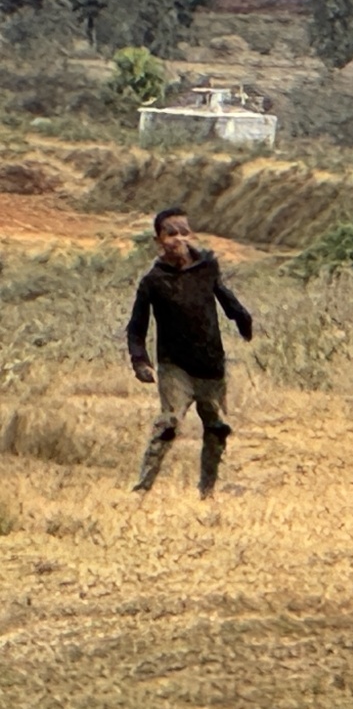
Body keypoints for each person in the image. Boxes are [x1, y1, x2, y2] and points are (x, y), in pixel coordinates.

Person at [127, 206, 254, 499]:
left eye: (183, 232)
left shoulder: (206, 268)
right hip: (175, 365)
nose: (178, 239)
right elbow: (137, 326)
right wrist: (140, 361)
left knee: (216, 426)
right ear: (159, 240)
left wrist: (242, 319)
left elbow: (223, 295)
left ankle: (207, 490)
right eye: (170, 233)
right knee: (169, 423)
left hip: (210, 363)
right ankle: (142, 488)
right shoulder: (154, 281)